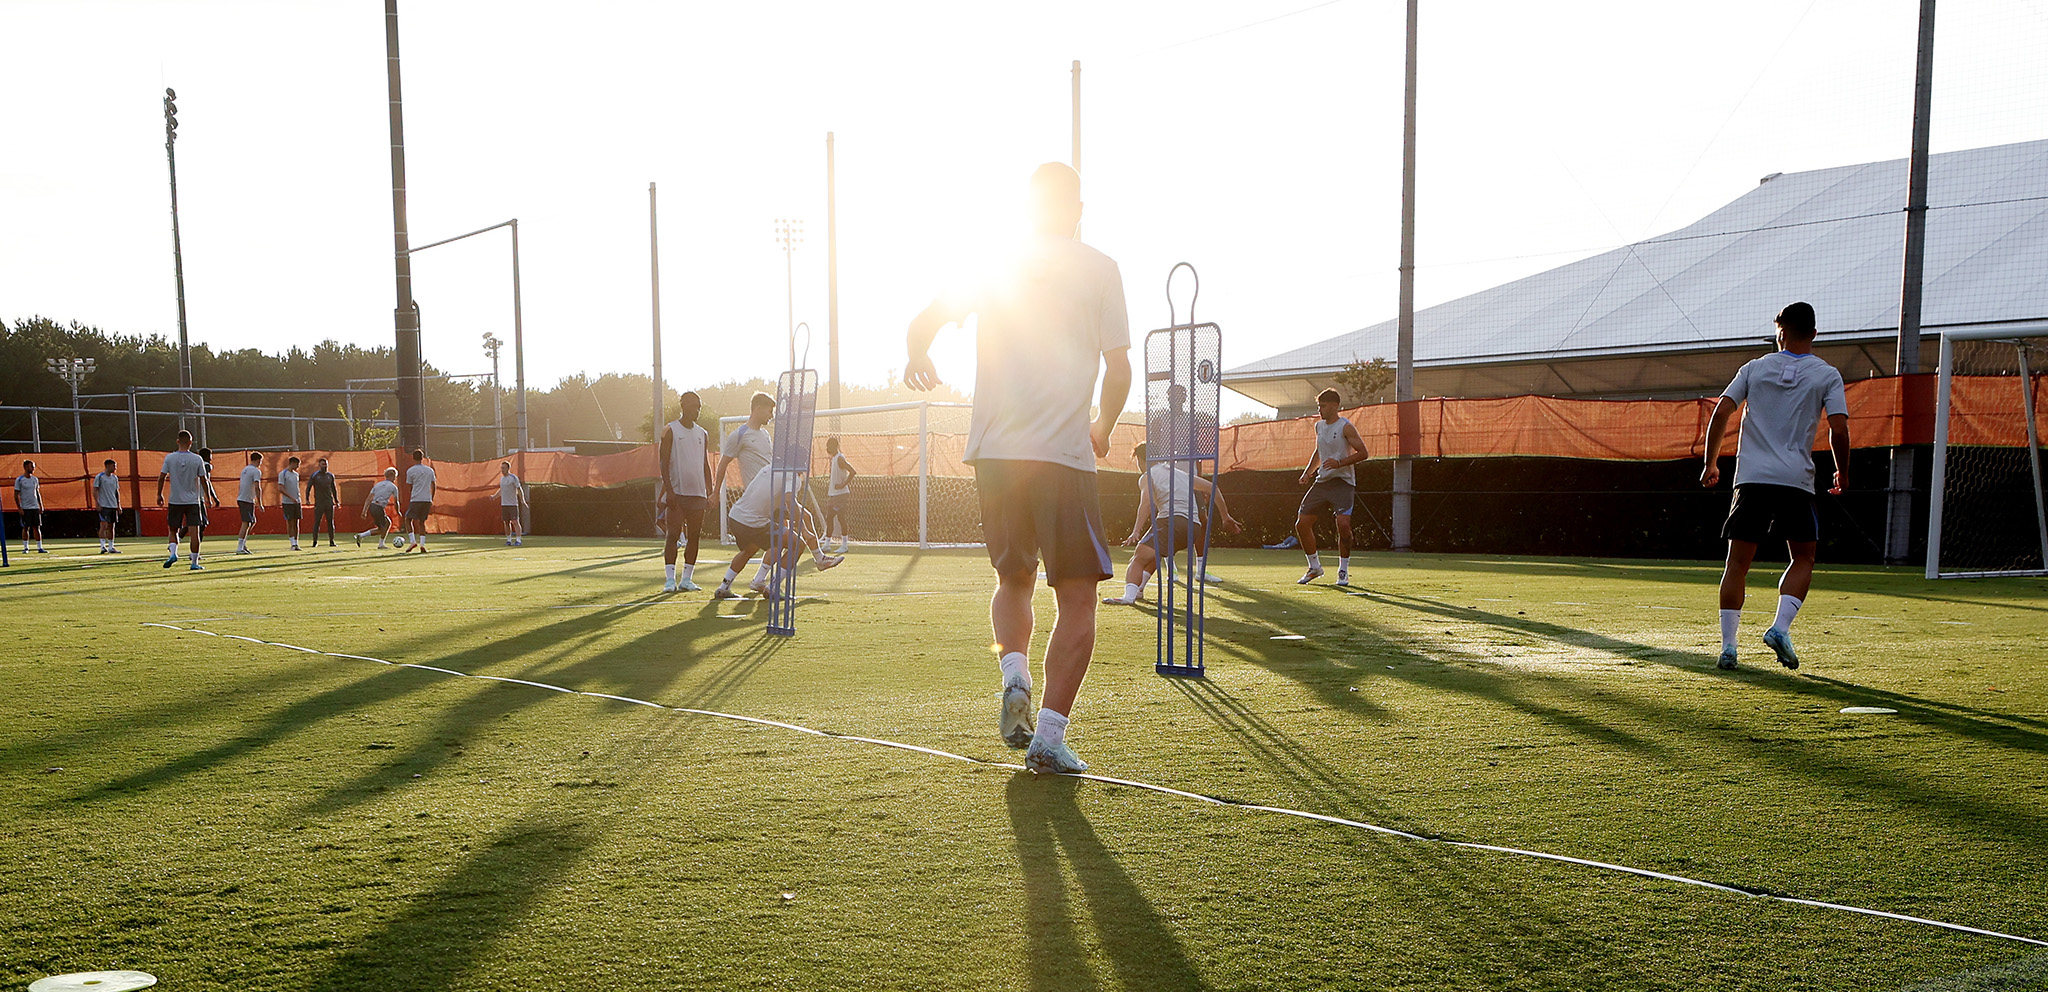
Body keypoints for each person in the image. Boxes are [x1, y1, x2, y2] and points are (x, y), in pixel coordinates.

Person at [905, 161, 1131, 775]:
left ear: (1029, 208)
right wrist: (1104, 427)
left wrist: (917, 356)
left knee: (1013, 580)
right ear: (1078, 208)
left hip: (995, 455)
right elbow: (1120, 369)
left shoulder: (996, 261)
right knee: (1078, 597)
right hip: (1060, 455)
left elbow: (920, 324)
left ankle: (1014, 678)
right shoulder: (1101, 268)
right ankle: (1050, 738)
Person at [1700, 301, 1850, 672]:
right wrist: (1842, 472)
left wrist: (1710, 462)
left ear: (1779, 333)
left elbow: (1721, 410)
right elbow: (1839, 428)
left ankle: (1729, 648)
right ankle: (1780, 628)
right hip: (1795, 481)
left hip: (1751, 479)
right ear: (1814, 334)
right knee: (1803, 558)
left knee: (1737, 565)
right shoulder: (1827, 374)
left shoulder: (1754, 368)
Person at [1104, 443, 1242, 605]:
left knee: (1138, 558)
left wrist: (1136, 531)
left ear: (1141, 460)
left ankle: (1128, 598)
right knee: (1156, 554)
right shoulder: (1180, 474)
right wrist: (1225, 516)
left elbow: (1146, 504)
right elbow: (1213, 487)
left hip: (1171, 521)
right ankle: (1139, 589)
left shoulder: (1147, 476)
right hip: (1193, 528)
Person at [710, 464, 843, 599]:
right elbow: (789, 500)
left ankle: (724, 587)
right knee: (797, 544)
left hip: (735, 517)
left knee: (750, 548)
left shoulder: (770, 467)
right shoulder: (792, 476)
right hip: (753, 522)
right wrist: (803, 530)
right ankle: (773, 586)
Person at [1293, 388, 1369, 586]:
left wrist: (1339, 463)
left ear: (1335, 406)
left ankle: (1343, 571)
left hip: (1343, 483)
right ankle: (1314, 567)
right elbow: (1319, 451)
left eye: (1323, 406)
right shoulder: (1319, 426)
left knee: (1343, 526)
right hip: (1322, 483)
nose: (1320, 410)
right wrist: (1308, 472)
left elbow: (1363, 453)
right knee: (1301, 524)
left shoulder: (1346, 427)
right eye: (1319, 406)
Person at [715, 392, 778, 593]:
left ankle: (725, 586)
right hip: (756, 502)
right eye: (769, 410)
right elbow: (723, 464)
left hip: (772, 499)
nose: (771, 415)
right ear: (758, 408)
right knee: (785, 540)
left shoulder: (766, 435)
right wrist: (715, 492)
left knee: (751, 548)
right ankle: (760, 581)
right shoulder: (739, 435)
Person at [660, 392, 713, 590]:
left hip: (698, 494)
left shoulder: (703, 433)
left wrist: (710, 491)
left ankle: (686, 579)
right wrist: (670, 491)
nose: (697, 410)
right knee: (673, 534)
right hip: (677, 494)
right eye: (693, 406)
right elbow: (663, 463)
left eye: (699, 406)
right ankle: (670, 580)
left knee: (694, 536)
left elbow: (705, 464)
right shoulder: (670, 430)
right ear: (684, 407)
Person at [155, 430, 210, 570]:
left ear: (177, 441)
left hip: (175, 500)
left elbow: (162, 477)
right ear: (190, 443)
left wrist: (159, 494)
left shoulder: (169, 458)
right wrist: (208, 497)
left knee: (173, 530)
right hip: (193, 501)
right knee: (194, 532)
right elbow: (204, 480)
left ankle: (173, 553)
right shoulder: (197, 459)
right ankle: (194, 563)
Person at [822, 436, 857, 554]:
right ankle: (827, 544)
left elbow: (853, 471)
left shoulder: (840, 459)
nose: (827, 448)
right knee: (829, 518)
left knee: (841, 518)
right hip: (834, 494)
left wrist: (843, 485)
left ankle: (845, 545)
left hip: (841, 495)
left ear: (835, 446)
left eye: (829, 446)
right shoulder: (833, 459)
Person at [357, 467, 402, 549]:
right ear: (392, 476)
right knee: (382, 528)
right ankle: (362, 536)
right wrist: (398, 511)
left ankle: (380, 543)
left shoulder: (378, 485)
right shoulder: (393, 487)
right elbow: (396, 502)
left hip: (373, 506)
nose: (395, 478)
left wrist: (364, 511)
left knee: (387, 523)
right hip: (378, 507)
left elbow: (368, 498)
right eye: (395, 476)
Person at [402, 448, 435, 553]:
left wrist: (412, 496)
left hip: (416, 499)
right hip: (427, 499)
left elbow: (409, 486)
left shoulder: (411, 471)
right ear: (422, 458)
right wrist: (431, 498)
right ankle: (422, 545)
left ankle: (412, 541)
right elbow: (433, 485)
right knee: (422, 522)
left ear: (413, 458)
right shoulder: (429, 470)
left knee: (408, 519)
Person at [234, 452, 265, 554]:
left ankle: (243, 543)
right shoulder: (256, 471)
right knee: (246, 522)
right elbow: (257, 487)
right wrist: (260, 503)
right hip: (246, 500)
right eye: (260, 461)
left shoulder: (245, 469)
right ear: (257, 460)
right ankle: (239, 547)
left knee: (252, 521)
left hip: (243, 498)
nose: (261, 463)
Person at [13, 460, 45, 554]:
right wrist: (19, 507)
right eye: (32, 466)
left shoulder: (35, 479)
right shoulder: (19, 480)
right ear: (26, 467)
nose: (33, 468)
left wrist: (40, 505)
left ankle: (40, 547)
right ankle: (26, 548)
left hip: (35, 507)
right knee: (26, 527)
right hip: (25, 507)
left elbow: (37, 492)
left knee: (37, 527)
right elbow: (16, 495)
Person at [308, 457, 339, 547]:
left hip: (329, 502)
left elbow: (334, 489)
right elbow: (309, 487)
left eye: (325, 464)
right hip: (319, 502)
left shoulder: (330, 476)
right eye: (322, 464)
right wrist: (307, 498)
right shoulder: (315, 476)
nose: (324, 466)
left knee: (330, 522)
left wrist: (336, 501)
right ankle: (315, 541)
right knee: (317, 522)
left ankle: (332, 541)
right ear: (319, 465)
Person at [94, 459, 123, 554]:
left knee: (111, 526)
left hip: (113, 505)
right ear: (107, 466)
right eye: (114, 466)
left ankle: (111, 547)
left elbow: (116, 491)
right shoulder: (100, 477)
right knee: (104, 525)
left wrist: (118, 505)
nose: (115, 468)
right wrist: (97, 503)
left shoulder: (115, 478)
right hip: (104, 505)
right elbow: (95, 490)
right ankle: (102, 546)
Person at [498, 461, 529, 547]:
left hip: (513, 504)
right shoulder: (502, 479)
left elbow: (519, 489)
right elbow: (501, 490)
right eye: (501, 468)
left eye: (503, 468)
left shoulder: (513, 478)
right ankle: (508, 540)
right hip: (504, 504)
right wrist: (494, 496)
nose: (502, 470)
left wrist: (522, 500)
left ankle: (518, 540)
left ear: (508, 468)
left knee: (515, 521)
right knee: (506, 522)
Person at [277, 456, 304, 551]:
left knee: (296, 522)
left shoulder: (296, 474)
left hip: (297, 501)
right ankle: (292, 543)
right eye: (297, 464)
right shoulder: (283, 474)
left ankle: (296, 543)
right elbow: (281, 488)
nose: (298, 466)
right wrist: (291, 497)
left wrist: (297, 498)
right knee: (290, 522)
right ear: (292, 463)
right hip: (287, 502)